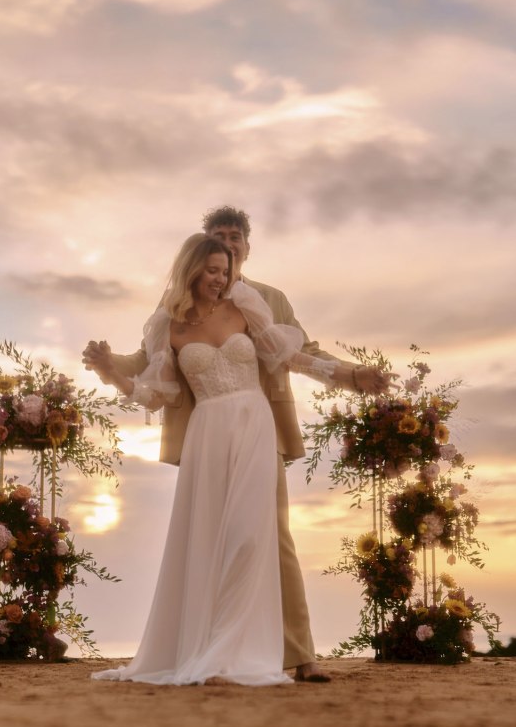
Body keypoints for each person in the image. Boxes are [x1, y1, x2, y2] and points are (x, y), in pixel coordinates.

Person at [90, 208, 391, 682]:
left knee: (267, 537)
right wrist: (109, 367)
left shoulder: (263, 300)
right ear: (198, 252)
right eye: (217, 243)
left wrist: (353, 375)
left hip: (258, 427)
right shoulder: (170, 315)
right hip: (206, 434)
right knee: (210, 534)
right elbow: (149, 369)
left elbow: (301, 354)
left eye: (234, 242)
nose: (226, 254)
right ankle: (212, 647)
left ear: (245, 249)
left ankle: (298, 653)